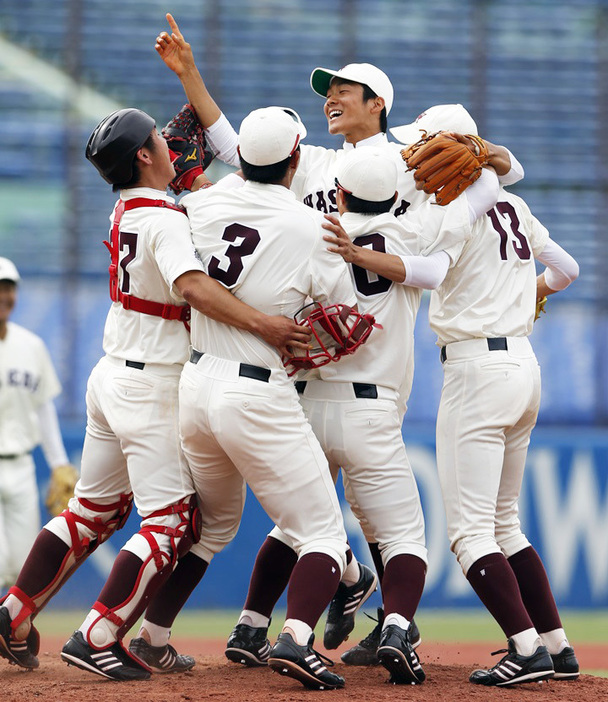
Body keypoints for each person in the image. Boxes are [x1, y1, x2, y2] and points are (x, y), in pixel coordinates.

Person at [150, 14, 527, 660]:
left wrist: (494, 154)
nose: (331, 96)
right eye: (327, 89)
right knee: (362, 518)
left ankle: (274, 620)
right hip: (345, 371)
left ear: (379, 103)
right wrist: (192, 78)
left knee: (314, 518)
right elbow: (240, 145)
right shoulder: (326, 163)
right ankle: (367, 624)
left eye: (345, 89)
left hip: (323, 361)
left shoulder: (406, 155)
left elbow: (498, 169)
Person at [0, 107, 309, 680]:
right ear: (143, 156)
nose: (171, 146)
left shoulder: (129, 207)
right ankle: (98, 635)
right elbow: (192, 286)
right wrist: (265, 325)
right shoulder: (165, 218)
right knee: (171, 521)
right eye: (158, 142)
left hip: (112, 372)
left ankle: (13, 612)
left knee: (91, 511)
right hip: (151, 382)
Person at [174, 105, 372, 692]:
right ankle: (297, 639)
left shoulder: (199, 204)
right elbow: (339, 318)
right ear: (294, 159)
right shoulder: (311, 226)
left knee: (207, 528)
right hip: (256, 387)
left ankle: (158, 632)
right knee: (323, 533)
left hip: (195, 382)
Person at [389, 104, 580, 686]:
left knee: (471, 532)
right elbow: (567, 268)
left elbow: (419, 265)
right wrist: (532, 295)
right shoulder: (514, 206)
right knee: (506, 523)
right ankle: (557, 645)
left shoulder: (450, 213)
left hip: (474, 369)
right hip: (523, 366)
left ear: (449, 150)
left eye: (424, 146)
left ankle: (526, 650)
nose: (416, 157)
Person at [0, 258, 76, 594]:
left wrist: (59, 463)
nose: (4, 295)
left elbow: (44, 410)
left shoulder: (31, 346)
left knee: (20, 566)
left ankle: (7, 631)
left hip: (21, 466)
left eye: (8, 288)